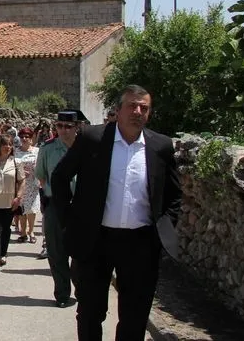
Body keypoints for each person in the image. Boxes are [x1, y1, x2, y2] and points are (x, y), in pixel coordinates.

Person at [52, 86, 181, 341]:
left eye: (144, 108)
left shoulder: (161, 146)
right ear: (118, 110)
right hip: (95, 240)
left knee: (135, 316)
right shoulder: (93, 138)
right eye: (132, 106)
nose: (137, 112)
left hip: (141, 244)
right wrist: (70, 221)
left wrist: (162, 230)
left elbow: (174, 194)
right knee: (90, 312)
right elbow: (60, 177)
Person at [36, 110, 83, 307]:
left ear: (77, 127)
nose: (63, 130)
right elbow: (41, 176)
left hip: (81, 205)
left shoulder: (86, 147)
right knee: (56, 251)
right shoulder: (47, 149)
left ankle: (82, 289)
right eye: (60, 126)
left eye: (68, 126)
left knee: (82, 251)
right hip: (56, 204)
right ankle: (62, 294)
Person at [0, 133, 24, 272]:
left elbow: (21, 181)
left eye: (10, 144)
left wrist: (18, 197)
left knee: (6, 228)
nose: (8, 147)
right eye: (5, 144)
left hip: (9, 201)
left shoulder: (16, 162)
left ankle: (3, 254)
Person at [15, 127, 41, 244]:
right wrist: (20, 172)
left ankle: (31, 231)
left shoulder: (37, 151)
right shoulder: (15, 151)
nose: (24, 139)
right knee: (21, 208)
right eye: (22, 137)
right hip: (20, 183)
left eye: (27, 137)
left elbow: (41, 165)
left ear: (31, 138)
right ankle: (23, 232)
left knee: (31, 209)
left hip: (33, 183)